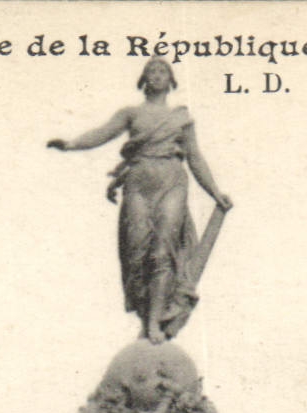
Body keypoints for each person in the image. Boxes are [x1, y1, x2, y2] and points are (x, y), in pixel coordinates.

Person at [47, 57, 233, 343]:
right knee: (137, 254)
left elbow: (195, 158)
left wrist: (214, 192)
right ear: (143, 80)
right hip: (138, 183)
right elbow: (102, 133)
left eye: (162, 71)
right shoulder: (131, 114)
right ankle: (147, 317)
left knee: (162, 252)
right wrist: (72, 144)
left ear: (171, 81)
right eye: (151, 72)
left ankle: (154, 324)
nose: (156, 75)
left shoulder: (181, 118)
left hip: (172, 180)